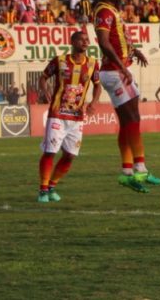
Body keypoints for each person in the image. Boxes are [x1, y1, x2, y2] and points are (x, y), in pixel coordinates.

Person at [90, 0, 160, 193]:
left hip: (118, 69)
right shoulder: (103, 10)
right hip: (115, 71)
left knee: (129, 120)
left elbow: (117, 39)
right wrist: (122, 67)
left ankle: (128, 171)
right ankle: (139, 169)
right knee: (132, 118)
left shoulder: (111, 10)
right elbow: (103, 42)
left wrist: (134, 51)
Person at [37, 31, 102, 203]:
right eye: (82, 39)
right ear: (72, 41)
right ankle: (43, 190)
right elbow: (43, 78)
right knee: (50, 152)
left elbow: (97, 86)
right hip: (58, 113)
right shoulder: (60, 61)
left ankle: (52, 186)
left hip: (77, 116)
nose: (86, 42)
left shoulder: (93, 64)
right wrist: (45, 91)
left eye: (87, 40)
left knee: (70, 155)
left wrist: (93, 102)